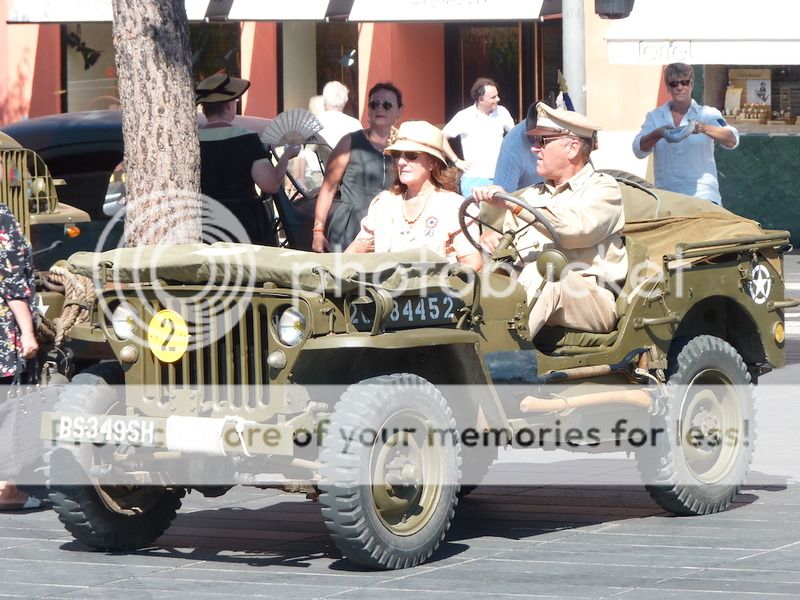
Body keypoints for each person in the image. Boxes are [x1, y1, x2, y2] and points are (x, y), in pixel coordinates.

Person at [473, 102, 627, 338]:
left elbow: (572, 231)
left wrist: (514, 205)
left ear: (573, 148)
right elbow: (509, 255)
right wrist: (491, 242)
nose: (534, 149)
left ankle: (504, 355)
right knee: (477, 280)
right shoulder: (531, 195)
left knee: (545, 273)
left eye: (542, 141)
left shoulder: (603, 188)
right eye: (534, 142)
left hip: (591, 298)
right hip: (532, 290)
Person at [347, 120, 482, 270]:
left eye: (411, 155)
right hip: (385, 291)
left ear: (432, 162)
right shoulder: (383, 204)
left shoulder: (453, 207)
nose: (401, 162)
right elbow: (351, 256)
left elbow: (472, 264)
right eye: (398, 155)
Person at [196, 73, 299, 245]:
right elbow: (270, 184)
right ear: (229, 105)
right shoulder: (247, 138)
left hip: (205, 221)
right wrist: (287, 156)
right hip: (243, 223)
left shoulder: (193, 141)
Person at [312, 82, 403, 252]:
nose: (380, 109)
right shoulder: (350, 142)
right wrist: (318, 230)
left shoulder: (405, 146)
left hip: (389, 228)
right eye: (374, 104)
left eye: (387, 105)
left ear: (399, 111)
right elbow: (328, 188)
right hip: (349, 226)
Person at [633, 62, 739, 206]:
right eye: (674, 83)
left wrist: (703, 128)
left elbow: (732, 139)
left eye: (684, 82)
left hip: (704, 195)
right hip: (667, 195)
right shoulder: (655, 116)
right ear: (667, 86)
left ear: (692, 84)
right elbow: (638, 150)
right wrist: (658, 133)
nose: (680, 87)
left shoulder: (708, 114)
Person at [0, 203, 43, 511]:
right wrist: (27, 332)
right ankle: (7, 489)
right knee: (7, 409)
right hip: (2, 334)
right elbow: (12, 284)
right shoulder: (2, 218)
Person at [443, 77, 514, 198]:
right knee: (478, 215)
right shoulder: (464, 116)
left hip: (500, 177)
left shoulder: (502, 112)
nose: (498, 99)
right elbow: (441, 138)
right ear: (480, 99)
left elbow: (514, 136)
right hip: (475, 179)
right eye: (493, 97)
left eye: (497, 95)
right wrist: (456, 161)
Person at [486, 101, 545, 228]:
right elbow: (503, 197)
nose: (537, 147)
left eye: (543, 139)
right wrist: (495, 229)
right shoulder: (512, 147)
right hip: (525, 215)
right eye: (535, 139)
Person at [318, 80, 363, 149]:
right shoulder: (354, 124)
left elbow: (304, 153)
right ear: (345, 101)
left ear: (324, 99)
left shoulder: (313, 123)